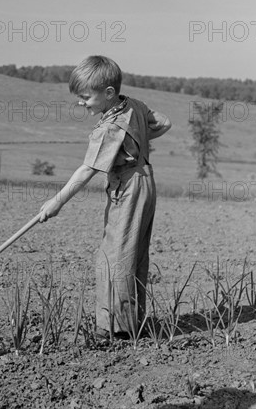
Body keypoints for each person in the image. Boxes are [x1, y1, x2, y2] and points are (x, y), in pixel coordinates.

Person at [39, 56, 171, 340]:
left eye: (85, 97)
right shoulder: (133, 104)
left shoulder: (109, 128)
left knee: (115, 256)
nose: (81, 103)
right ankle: (132, 322)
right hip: (144, 180)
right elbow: (164, 122)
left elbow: (87, 169)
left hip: (129, 186)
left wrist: (56, 202)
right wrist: (138, 141)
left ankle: (116, 329)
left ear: (108, 93)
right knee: (132, 254)